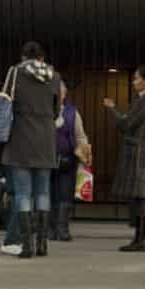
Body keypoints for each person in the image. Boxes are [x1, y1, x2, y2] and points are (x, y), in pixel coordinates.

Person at [0, 42, 62, 258]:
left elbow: (5, 101)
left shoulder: (15, 73)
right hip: (46, 139)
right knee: (43, 192)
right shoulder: (55, 76)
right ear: (42, 57)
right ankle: (43, 243)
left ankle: (26, 245)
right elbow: (56, 110)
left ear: (24, 55)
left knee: (23, 193)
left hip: (20, 137)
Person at [105, 64, 145, 253]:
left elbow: (127, 123)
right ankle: (140, 237)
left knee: (142, 195)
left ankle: (142, 238)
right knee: (138, 197)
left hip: (140, 151)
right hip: (139, 149)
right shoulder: (143, 99)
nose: (134, 81)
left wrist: (113, 109)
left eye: (137, 78)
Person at [51, 79, 84, 242]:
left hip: (67, 158)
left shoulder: (72, 112)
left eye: (60, 92)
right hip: (46, 158)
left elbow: (80, 135)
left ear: (64, 95)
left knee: (65, 195)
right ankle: (50, 229)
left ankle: (62, 229)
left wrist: (83, 151)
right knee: (48, 195)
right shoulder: (44, 111)